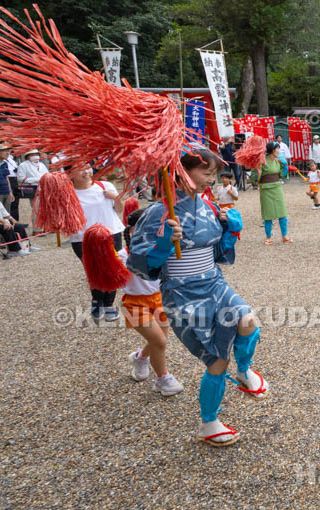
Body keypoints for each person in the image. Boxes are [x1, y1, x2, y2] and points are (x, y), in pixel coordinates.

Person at [128, 148, 265, 446]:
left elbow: (218, 255)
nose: (211, 180)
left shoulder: (209, 207)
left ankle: (244, 370)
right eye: (206, 173)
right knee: (217, 360)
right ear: (181, 172)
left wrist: (229, 231)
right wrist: (163, 246)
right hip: (182, 293)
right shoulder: (157, 213)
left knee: (247, 320)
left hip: (214, 282)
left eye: (214, 174)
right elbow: (139, 266)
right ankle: (209, 423)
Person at [121, 208, 183, 397]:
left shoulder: (164, 250)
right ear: (134, 230)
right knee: (159, 341)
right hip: (133, 304)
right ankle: (163, 379)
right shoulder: (121, 255)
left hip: (159, 299)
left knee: (158, 341)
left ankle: (140, 358)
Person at [67, 163, 125, 321]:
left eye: (87, 167)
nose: (86, 171)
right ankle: (97, 301)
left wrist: (115, 198)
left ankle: (109, 304)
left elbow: (119, 209)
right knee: (93, 270)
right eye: (80, 169)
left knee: (112, 269)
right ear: (70, 173)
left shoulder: (105, 186)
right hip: (83, 238)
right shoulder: (68, 193)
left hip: (111, 233)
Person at [258, 142, 290, 244]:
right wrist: (258, 172)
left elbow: (282, 175)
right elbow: (254, 180)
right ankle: (268, 237)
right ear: (272, 150)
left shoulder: (277, 161)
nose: (279, 151)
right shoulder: (262, 161)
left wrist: (284, 166)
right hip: (266, 189)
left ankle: (284, 236)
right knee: (268, 214)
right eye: (277, 149)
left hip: (277, 188)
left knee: (282, 212)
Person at [16, 150, 48, 224]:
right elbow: (20, 178)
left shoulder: (42, 165)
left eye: (36, 154)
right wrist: (37, 179)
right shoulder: (23, 165)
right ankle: (37, 228)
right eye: (32, 154)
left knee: (45, 209)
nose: (35, 156)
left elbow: (47, 175)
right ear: (28, 156)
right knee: (36, 209)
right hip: (33, 189)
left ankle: (45, 226)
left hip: (44, 188)